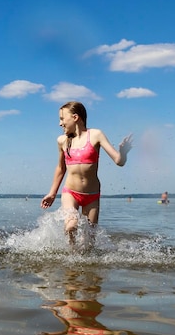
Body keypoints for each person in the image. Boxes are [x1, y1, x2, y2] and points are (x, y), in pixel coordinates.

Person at [40, 101, 133, 245]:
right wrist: (52, 193)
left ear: (75, 117)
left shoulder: (96, 135)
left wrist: (123, 152)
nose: (60, 123)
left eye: (62, 119)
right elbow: (61, 168)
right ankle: (72, 255)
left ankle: (84, 264)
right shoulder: (62, 141)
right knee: (71, 226)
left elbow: (119, 161)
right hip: (70, 193)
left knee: (89, 241)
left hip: (92, 195)